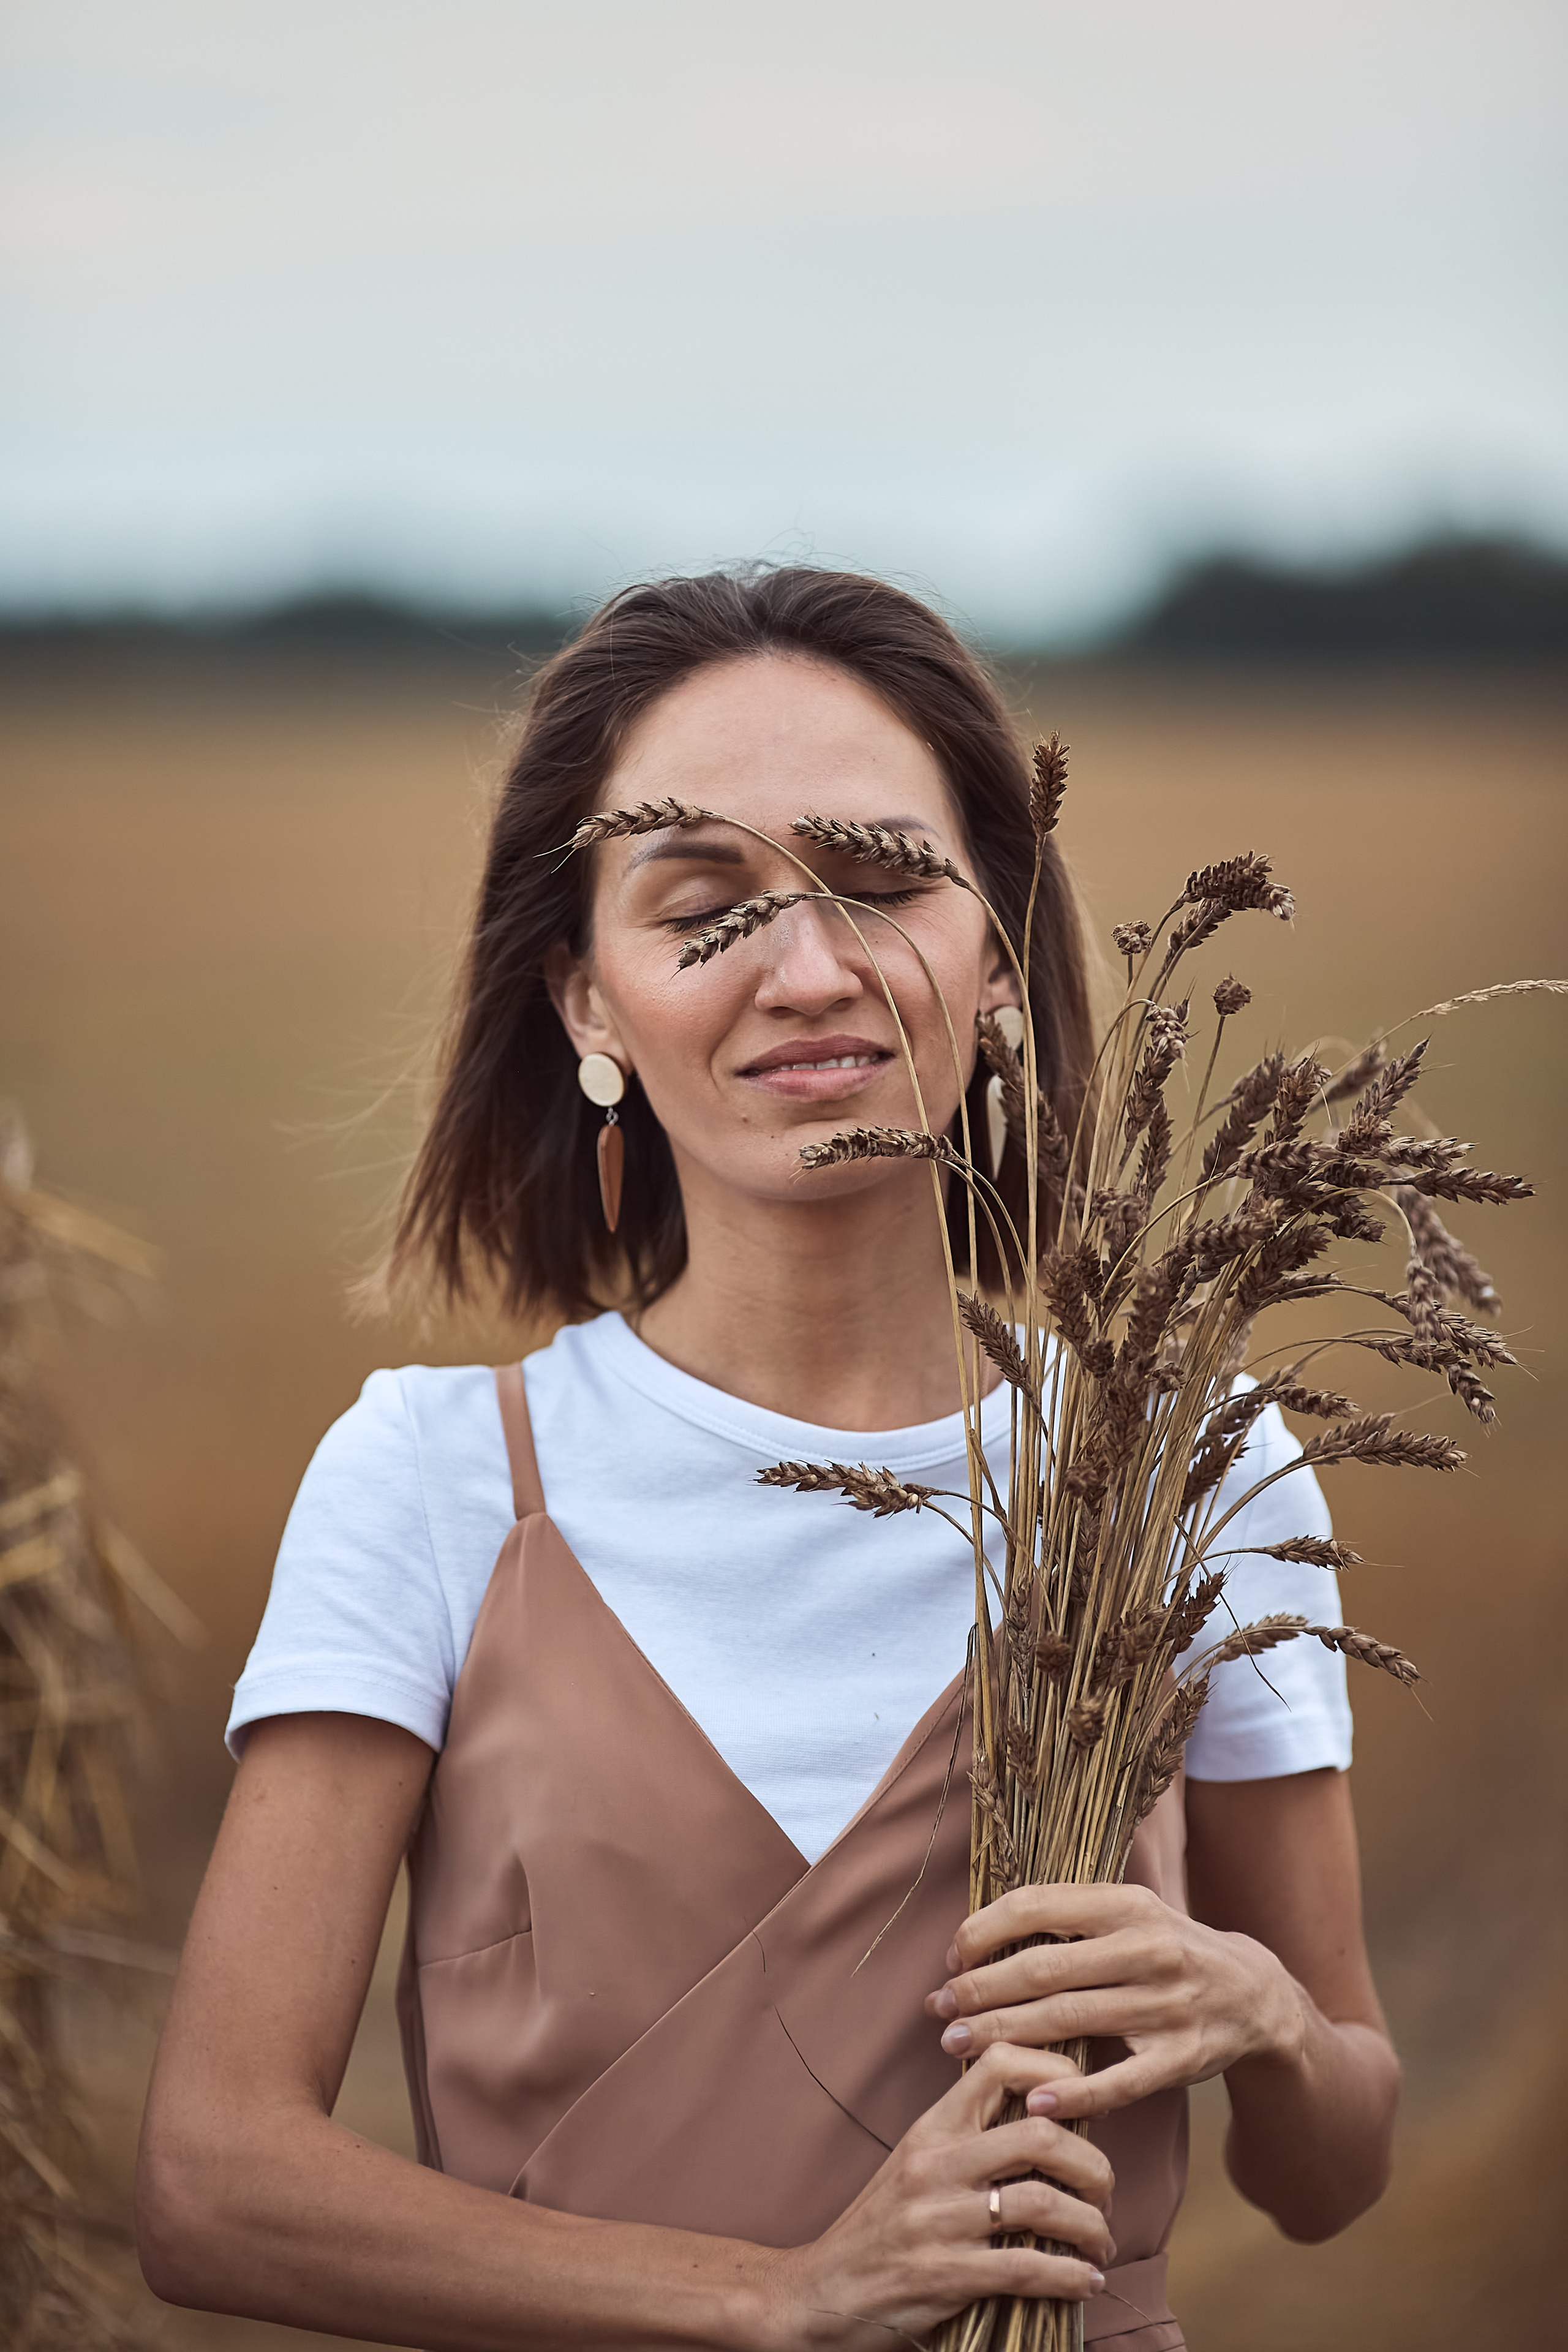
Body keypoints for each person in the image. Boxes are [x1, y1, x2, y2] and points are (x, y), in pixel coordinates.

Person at [137, 568, 1399, 2351]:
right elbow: (208, 2181)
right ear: (588, 1003)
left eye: (883, 882)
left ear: (994, 944)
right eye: (702, 903)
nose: (810, 970)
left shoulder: (1189, 1468)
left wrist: (1265, 2016)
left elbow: (1333, 2169)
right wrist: (781, 2300)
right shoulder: (434, 1480)